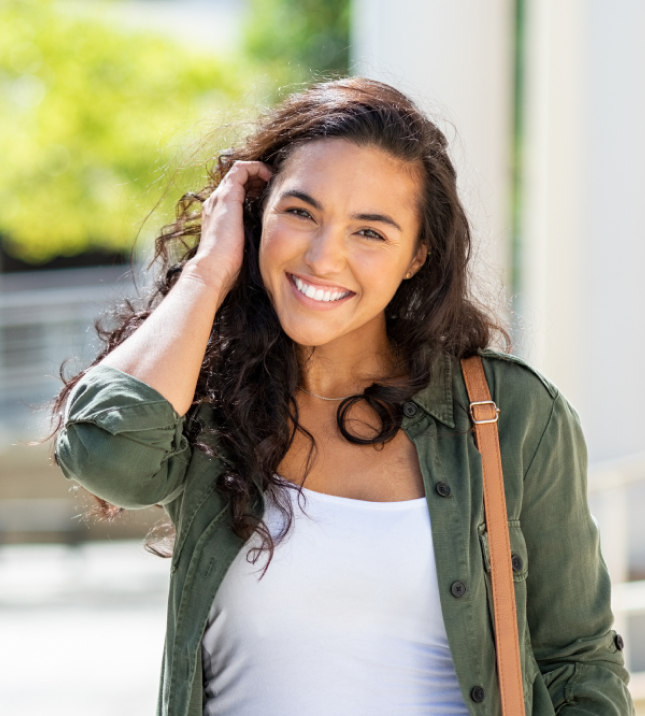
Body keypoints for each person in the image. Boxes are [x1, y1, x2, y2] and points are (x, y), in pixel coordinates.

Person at [52, 78, 634, 716]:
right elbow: (104, 457)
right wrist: (209, 270)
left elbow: (578, 663)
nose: (324, 258)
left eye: (371, 233)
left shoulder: (510, 413)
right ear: (256, 214)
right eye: (300, 212)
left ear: (418, 256)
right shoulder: (207, 399)